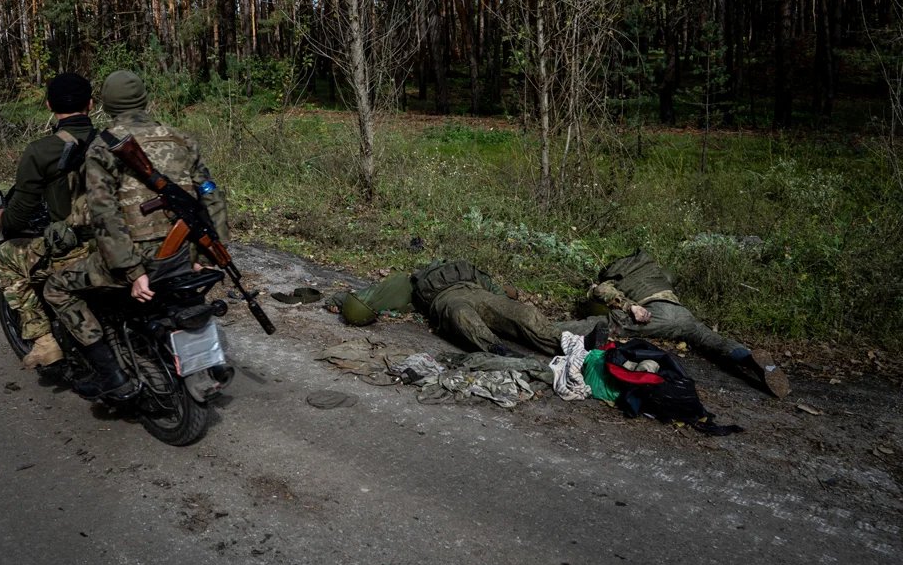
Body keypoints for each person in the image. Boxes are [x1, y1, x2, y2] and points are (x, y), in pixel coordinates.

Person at [43, 69, 229, 401]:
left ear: (105, 105)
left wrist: (133, 272)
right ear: (146, 99)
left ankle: (112, 376)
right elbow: (211, 195)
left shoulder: (104, 146)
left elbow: (105, 214)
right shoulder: (182, 139)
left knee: (56, 287)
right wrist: (207, 256)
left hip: (141, 261)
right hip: (184, 254)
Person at [0, 73, 97, 370]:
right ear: (91, 104)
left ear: (48, 105)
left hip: (77, 248)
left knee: (6, 255)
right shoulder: (112, 142)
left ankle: (44, 342)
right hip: (114, 239)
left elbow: (16, 217)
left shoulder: (41, 151)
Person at [569, 249, 790, 398]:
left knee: (606, 324)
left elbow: (601, 291)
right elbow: (673, 277)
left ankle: (548, 331)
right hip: (683, 314)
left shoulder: (616, 278)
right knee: (711, 340)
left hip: (655, 313)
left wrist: (630, 306)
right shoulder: (656, 272)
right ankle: (748, 357)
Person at [335, 260, 571, 358]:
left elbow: (496, 291)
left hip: (476, 291)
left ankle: (567, 343)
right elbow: (368, 296)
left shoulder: (465, 268)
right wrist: (337, 300)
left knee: (525, 314)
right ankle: (499, 351)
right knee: (463, 317)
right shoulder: (408, 282)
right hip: (444, 299)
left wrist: (508, 303)